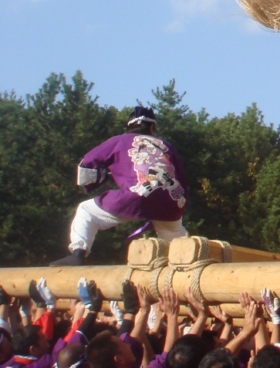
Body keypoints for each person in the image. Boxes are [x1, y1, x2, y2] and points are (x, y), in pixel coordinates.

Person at [52, 107, 188, 266]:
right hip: (172, 199)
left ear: (129, 127)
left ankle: (78, 254)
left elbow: (87, 164)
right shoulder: (166, 145)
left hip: (138, 195)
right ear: (152, 128)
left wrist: (100, 179)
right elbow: (182, 179)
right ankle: (184, 263)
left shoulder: (119, 141)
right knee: (175, 236)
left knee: (86, 211)